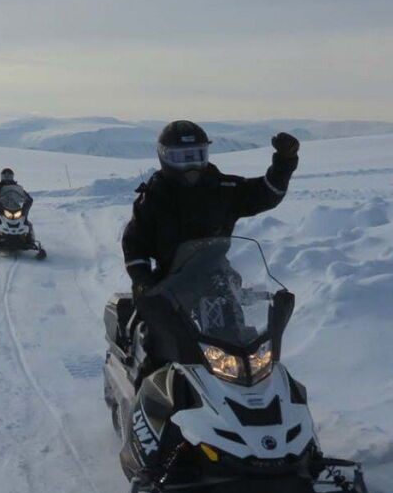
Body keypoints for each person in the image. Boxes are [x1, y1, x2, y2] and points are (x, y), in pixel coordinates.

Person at [122, 121, 299, 368]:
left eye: (197, 156)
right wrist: (142, 280)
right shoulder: (153, 198)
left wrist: (284, 162)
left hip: (216, 274)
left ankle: (247, 388)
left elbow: (266, 193)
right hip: (169, 279)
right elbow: (134, 244)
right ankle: (147, 391)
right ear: (164, 157)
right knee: (161, 343)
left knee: (239, 340)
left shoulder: (224, 188)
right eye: (182, 158)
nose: (191, 165)